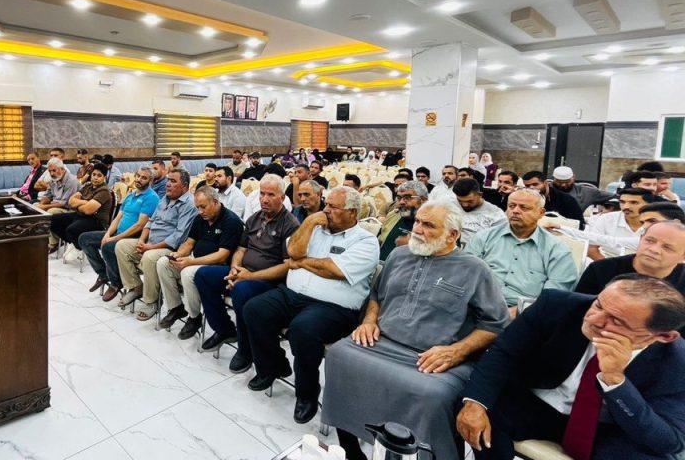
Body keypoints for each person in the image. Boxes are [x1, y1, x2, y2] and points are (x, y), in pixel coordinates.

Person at [325, 202, 509, 460]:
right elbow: (376, 295)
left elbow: (495, 324)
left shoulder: (475, 269)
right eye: (417, 222)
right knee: (340, 355)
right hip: (382, 341)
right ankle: (351, 450)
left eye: (429, 225)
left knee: (433, 394)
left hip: (433, 357)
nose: (418, 230)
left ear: (452, 235)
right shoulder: (398, 255)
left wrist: (457, 351)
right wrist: (369, 320)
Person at [456, 276, 685, 460]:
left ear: (661, 336)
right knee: (474, 405)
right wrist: (476, 404)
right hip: (536, 404)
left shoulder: (677, 362)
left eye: (616, 321)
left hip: (609, 427)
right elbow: (504, 353)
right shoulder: (557, 305)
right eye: (598, 305)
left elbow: (669, 441)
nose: (594, 319)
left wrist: (615, 380)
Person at [243, 187, 380, 424]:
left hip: (334, 307)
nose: (326, 211)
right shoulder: (315, 229)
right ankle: (273, 366)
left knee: (303, 330)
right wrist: (308, 223)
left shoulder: (366, 241)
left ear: (352, 212)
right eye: (326, 205)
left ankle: (306, 395)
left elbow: (334, 270)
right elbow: (292, 252)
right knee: (254, 309)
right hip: (293, 295)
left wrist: (302, 262)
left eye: (333, 207)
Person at [194, 175, 299, 365]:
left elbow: (287, 266)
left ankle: (245, 348)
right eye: (262, 194)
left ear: (282, 198)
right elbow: (241, 249)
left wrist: (249, 276)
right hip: (244, 272)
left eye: (271, 195)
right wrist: (235, 268)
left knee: (241, 290)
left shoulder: (290, 224)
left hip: (268, 281)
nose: (264, 199)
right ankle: (225, 329)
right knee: (203, 275)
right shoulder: (254, 218)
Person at [464, 188, 578, 318]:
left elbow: (554, 295)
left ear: (541, 213)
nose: (515, 211)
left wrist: (515, 312)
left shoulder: (556, 249)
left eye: (524, 207)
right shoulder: (484, 237)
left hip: (525, 315)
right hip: (475, 307)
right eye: (511, 206)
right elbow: (465, 274)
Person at [156, 186, 244, 331]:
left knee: (188, 272)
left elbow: (222, 255)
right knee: (163, 263)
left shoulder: (231, 221)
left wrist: (190, 261)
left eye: (203, 207)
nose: (200, 211)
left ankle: (194, 317)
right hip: (196, 260)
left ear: (215, 202)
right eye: (197, 207)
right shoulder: (200, 218)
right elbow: (189, 243)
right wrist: (179, 254)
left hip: (218, 267)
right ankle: (176, 307)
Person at [115, 169, 197, 317]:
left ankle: (151, 302)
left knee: (149, 257)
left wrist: (150, 247)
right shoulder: (166, 198)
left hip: (171, 249)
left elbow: (178, 236)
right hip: (150, 243)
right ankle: (136, 287)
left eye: (173, 181)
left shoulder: (189, 205)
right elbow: (150, 221)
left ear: (185, 186)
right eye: (168, 180)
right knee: (121, 246)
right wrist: (141, 241)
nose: (168, 184)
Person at [80, 167, 159, 301]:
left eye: (144, 178)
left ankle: (116, 283)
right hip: (118, 233)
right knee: (85, 239)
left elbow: (140, 225)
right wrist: (108, 234)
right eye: (138, 176)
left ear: (150, 181)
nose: (139, 179)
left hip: (133, 238)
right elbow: (118, 217)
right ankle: (104, 274)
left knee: (107, 247)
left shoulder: (151, 197)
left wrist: (114, 238)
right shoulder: (131, 195)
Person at [576, 221, 685, 302]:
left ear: (683, 256)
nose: (654, 249)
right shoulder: (601, 269)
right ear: (641, 239)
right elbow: (580, 312)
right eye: (649, 241)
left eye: (667, 247)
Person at [549, 188, 656, 260]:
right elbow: (591, 247)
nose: (626, 206)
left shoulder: (659, 224)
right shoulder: (606, 219)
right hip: (606, 264)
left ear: (649, 204)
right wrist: (608, 267)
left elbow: (610, 241)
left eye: (634, 202)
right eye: (622, 202)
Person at [49, 164, 113, 253]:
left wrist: (78, 204)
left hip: (96, 221)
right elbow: (71, 201)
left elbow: (88, 210)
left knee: (71, 230)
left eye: (99, 175)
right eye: (94, 174)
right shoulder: (88, 186)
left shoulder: (104, 191)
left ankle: (79, 249)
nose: (95, 178)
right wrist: (86, 202)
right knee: (52, 220)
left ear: (104, 177)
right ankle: (74, 244)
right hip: (81, 215)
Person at [39, 157, 83, 253]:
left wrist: (44, 207)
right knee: (35, 207)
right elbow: (48, 195)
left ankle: (54, 243)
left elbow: (64, 203)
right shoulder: (53, 179)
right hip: (57, 205)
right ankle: (43, 238)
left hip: (71, 210)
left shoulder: (71, 180)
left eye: (54, 170)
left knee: (50, 212)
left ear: (62, 169)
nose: (51, 173)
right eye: (50, 171)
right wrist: (41, 203)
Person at [379, 180, 427, 261]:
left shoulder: (433, 224)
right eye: (399, 198)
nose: (401, 202)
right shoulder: (393, 215)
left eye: (407, 198)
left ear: (423, 200)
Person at [452, 178, 506, 244]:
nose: (465, 205)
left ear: (480, 195)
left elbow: (499, 242)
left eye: (469, 201)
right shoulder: (450, 206)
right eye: (460, 201)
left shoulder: (496, 215)